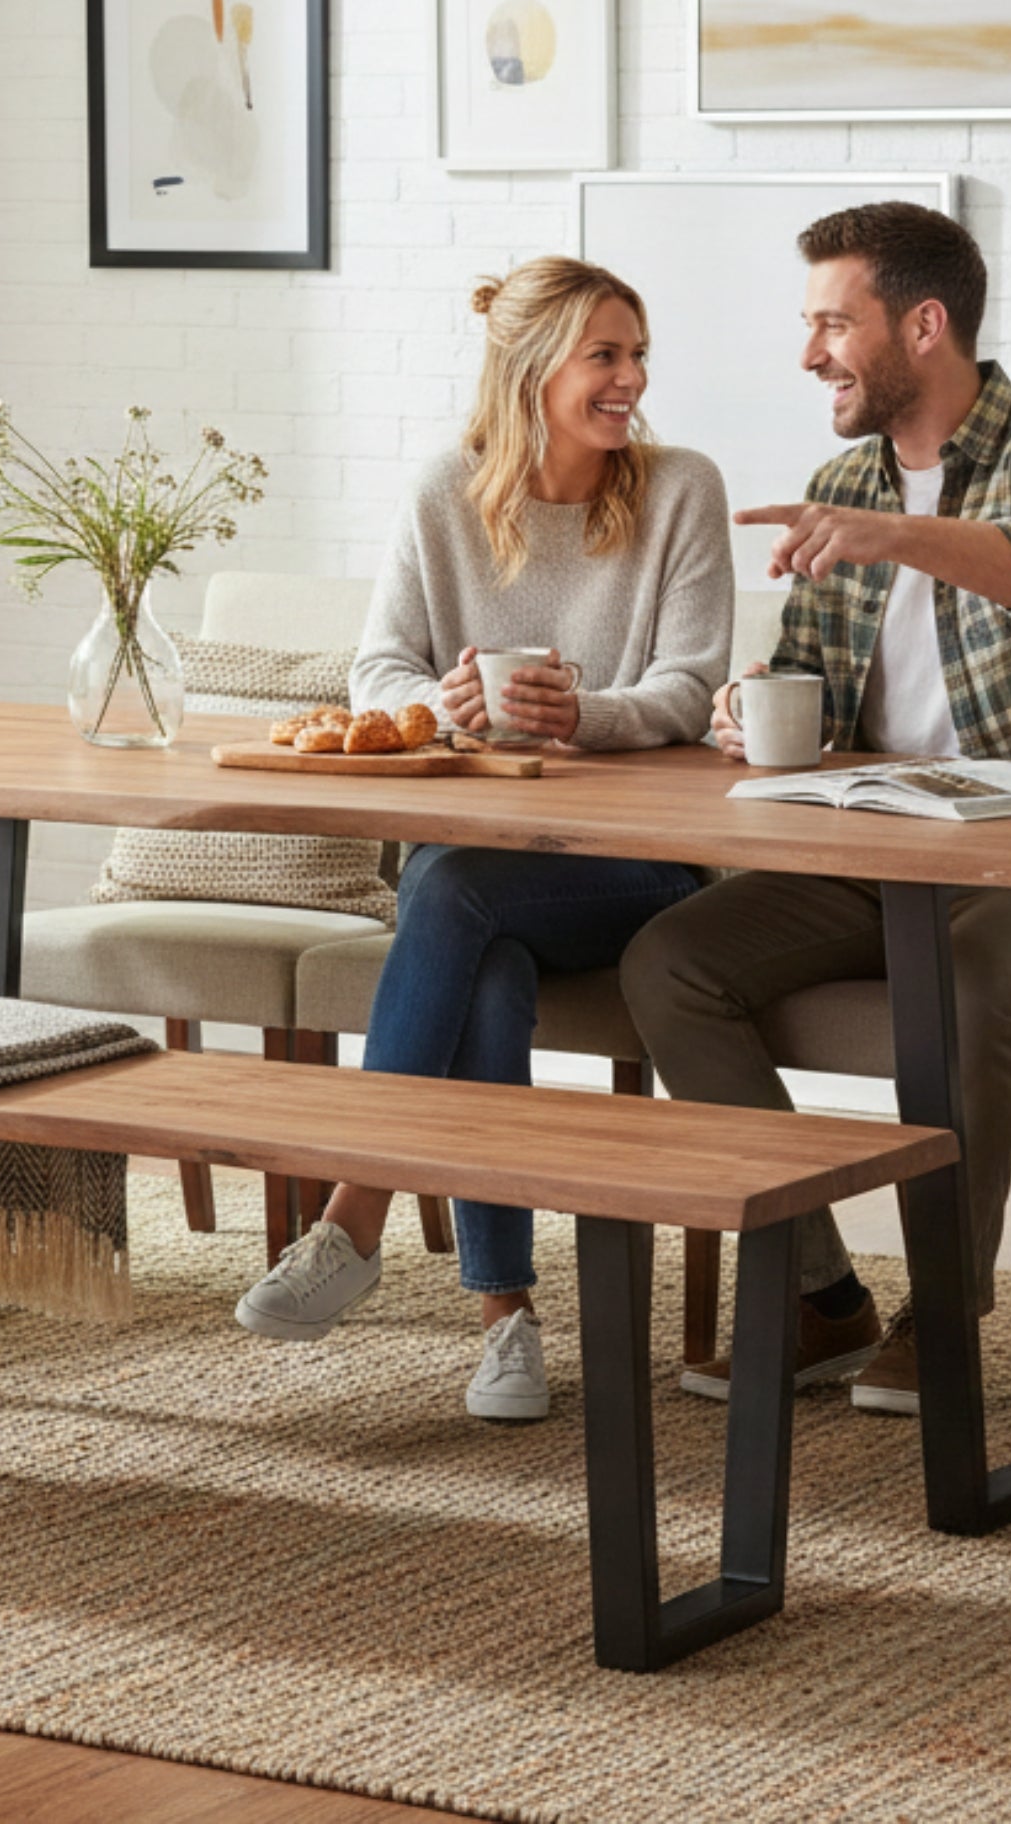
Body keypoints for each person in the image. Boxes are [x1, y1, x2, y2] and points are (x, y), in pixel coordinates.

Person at [621, 200, 1011, 1418]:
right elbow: (807, 678)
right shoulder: (838, 478)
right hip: (868, 855)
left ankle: (944, 1312)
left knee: (964, 980)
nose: (809, 354)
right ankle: (821, 1295)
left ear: (921, 324)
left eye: (829, 323)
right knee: (670, 961)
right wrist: (752, 709)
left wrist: (894, 532)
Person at [232, 255, 734, 1421]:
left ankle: (353, 1209)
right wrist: (440, 703)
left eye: (636, 351)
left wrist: (588, 713)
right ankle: (504, 1320)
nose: (631, 379)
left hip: (632, 872)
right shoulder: (442, 496)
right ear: (529, 369)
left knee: (449, 892)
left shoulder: (677, 490)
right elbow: (378, 666)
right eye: (603, 355)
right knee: (483, 965)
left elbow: (689, 682)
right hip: (480, 871)